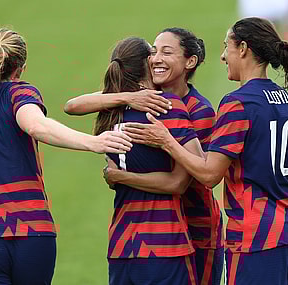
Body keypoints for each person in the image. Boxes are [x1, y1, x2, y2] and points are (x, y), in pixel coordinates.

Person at [122, 17, 288, 285]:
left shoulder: (237, 104)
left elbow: (209, 175)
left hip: (256, 237)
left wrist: (166, 141)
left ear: (243, 48)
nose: (223, 56)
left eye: (227, 47)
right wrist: (262, 153)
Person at [0, 28, 132, 285]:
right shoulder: (17, 93)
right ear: (19, 68)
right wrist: (93, 142)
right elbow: (36, 125)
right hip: (34, 235)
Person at [65, 28, 224, 285]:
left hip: (195, 225)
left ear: (189, 62)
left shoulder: (198, 111)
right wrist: (130, 96)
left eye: (165, 52)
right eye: (153, 52)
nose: (157, 58)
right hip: (167, 234)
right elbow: (72, 105)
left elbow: (203, 174)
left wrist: (123, 174)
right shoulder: (152, 105)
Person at [93, 36, 202, 284]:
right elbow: (179, 182)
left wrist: (119, 177)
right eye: (153, 54)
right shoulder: (166, 105)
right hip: (164, 243)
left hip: (122, 244)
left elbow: (72, 105)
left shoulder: (109, 111)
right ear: (147, 63)